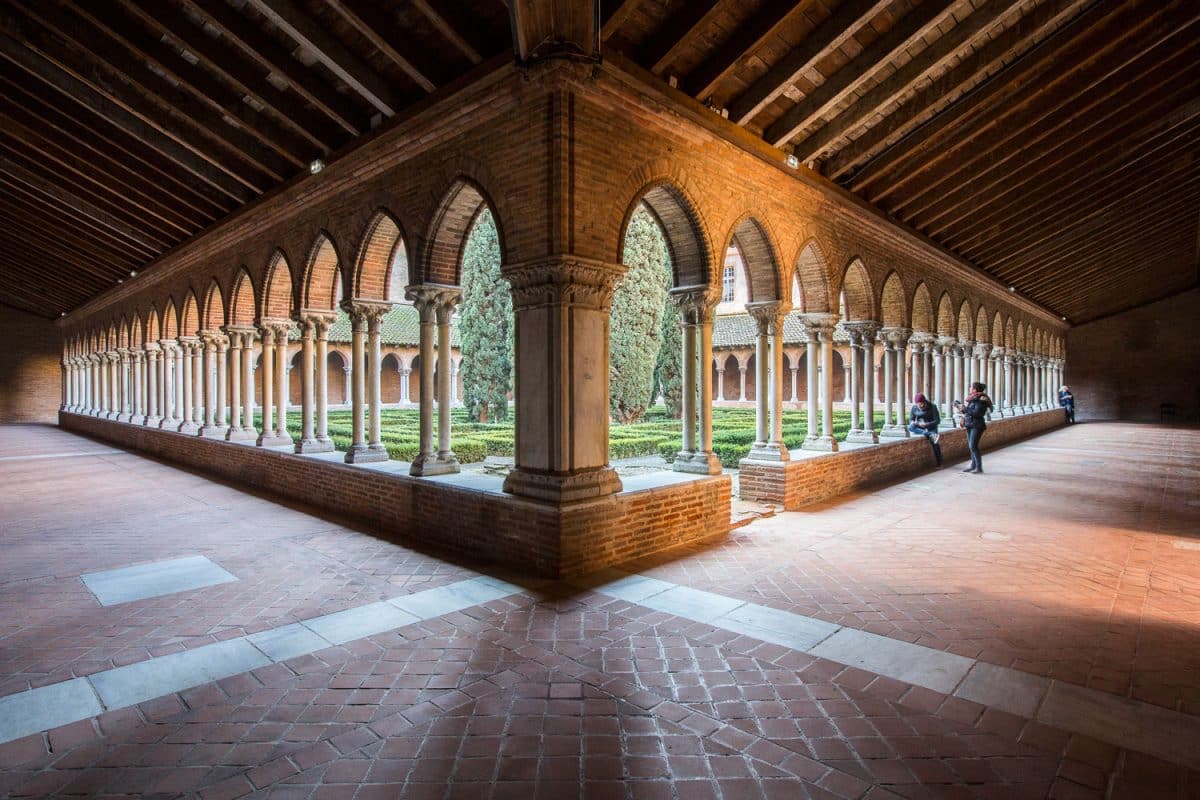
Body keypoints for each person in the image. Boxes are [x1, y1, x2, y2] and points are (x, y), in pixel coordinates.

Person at [961, 382, 994, 474]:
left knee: (973, 446)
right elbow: (970, 411)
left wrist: (965, 408)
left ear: (975, 389)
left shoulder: (981, 399)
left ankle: (979, 468)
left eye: (971, 387)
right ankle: (973, 465)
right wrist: (962, 408)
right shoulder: (972, 399)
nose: (969, 388)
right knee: (971, 446)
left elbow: (977, 413)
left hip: (977, 425)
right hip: (970, 424)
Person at [908, 393, 942, 467]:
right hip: (921, 426)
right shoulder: (914, 408)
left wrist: (926, 424)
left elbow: (937, 421)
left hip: (931, 426)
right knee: (910, 427)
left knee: (935, 443)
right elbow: (911, 419)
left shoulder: (932, 406)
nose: (919, 406)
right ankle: (929, 434)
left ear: (924, 402)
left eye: (920, 404)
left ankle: (939, 463)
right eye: (917, 404)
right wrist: (914, 422)